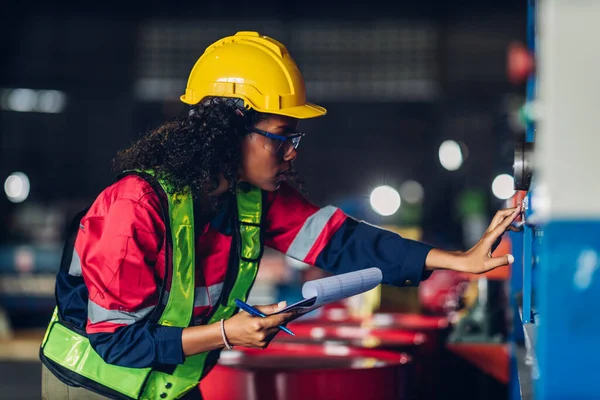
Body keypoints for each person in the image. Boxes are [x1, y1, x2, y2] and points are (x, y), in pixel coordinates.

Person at [39, 31, 519, 400]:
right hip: (92, 386)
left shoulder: (251, 197)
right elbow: (117, 342)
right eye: (281, 136)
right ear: (228, 131)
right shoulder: (135, 207)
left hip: (171, 384)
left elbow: (342, 242)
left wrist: (457, 259)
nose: (291, 154)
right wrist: (228, 332)